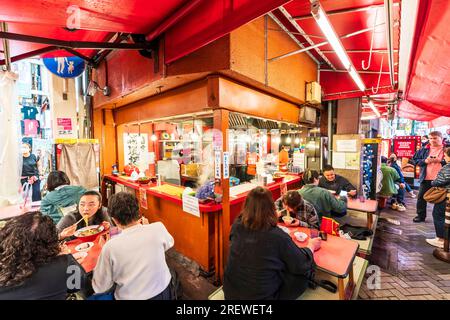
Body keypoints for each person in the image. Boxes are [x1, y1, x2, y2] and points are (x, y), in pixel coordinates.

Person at [223, 187, 319, 300]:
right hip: (263, 298)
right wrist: (311, 246)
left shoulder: (236, 225)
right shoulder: (277, 236)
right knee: (302, 274)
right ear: (271, 207)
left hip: (230, 294)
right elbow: (301, 264)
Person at [92, 192, 174, 300]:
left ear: (114, 219)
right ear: (138, 211)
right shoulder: (158, 228)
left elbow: (100, 287)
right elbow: (169, 243)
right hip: (164, 292)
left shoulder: (110, 247)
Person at [0, 212, 87, 299]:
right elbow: (79, 285)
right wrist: (67, 258)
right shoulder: (65, 265)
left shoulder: (5, 264)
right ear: (50, 241)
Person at [411, 131, 446, 222]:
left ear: (441, 139)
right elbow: (414, 160)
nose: (432, 140)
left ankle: (440, 218)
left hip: (442, 179)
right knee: (421, 198)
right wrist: (425, 161)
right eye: (430, 138)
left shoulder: (446, 149)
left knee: (441, 199)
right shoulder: (424, 149)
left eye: (435, 138)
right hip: (426, 178)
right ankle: (420, 216)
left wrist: (441, 161)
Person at [426, 147, 450, 248]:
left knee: (439, 215)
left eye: (445, 156)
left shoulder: (447, 167)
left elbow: (439, 181)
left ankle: (441, 239)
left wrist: (433, 182)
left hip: (446, 195)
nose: (445, 157)